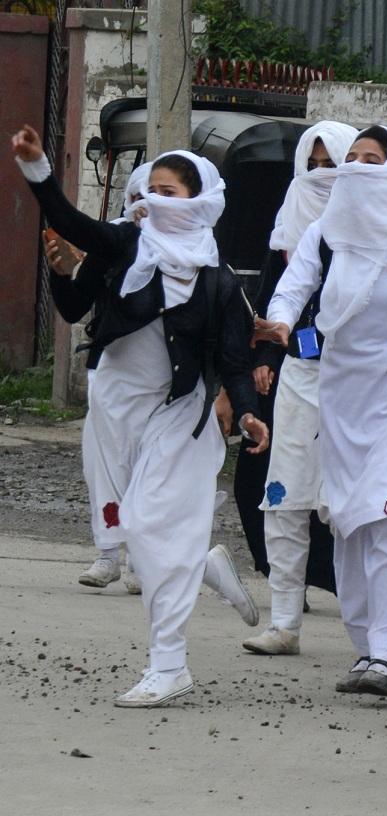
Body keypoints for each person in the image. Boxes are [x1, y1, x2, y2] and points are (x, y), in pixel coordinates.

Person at [13, 124, 269, 708]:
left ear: (200, 200)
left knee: (150, 527)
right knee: (137, 525)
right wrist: (38, 168)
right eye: (148, 188)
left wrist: (250, 414)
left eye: (169, 191)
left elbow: (233, 362)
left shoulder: (220, 283)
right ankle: (199, 563)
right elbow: (72, 224)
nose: (153, 198)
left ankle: (169, 663)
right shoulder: (128, 246)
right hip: (118, 406)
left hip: (179, 413)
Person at [259, 125, 387, 695]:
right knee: (349, 524)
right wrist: (278, 323)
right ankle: (368, 645)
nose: (360, 168)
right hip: (341, 397)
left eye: (374, 158)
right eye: (354, 159)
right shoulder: (326, 232)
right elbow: (293, 289)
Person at [241, 120, 357, 656]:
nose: (320, 176)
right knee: (283, 497)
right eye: (311, 166)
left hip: (367, 383)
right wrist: (270, 346)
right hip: (301, 375)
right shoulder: (295, 228)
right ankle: (284, 620)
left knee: (362, 509)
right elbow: (279, 295)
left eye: (331, 164)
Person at [44, 161, 152, 594]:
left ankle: (141, 560)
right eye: (140, 196)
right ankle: (109, 553)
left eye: (159, 195)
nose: (145, 207)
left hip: (168, 385)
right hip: (111, 374)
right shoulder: (112, 246)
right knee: (104, 467)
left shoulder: (195, 252)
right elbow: (73, 309)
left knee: (150, 472)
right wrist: (59, 271)